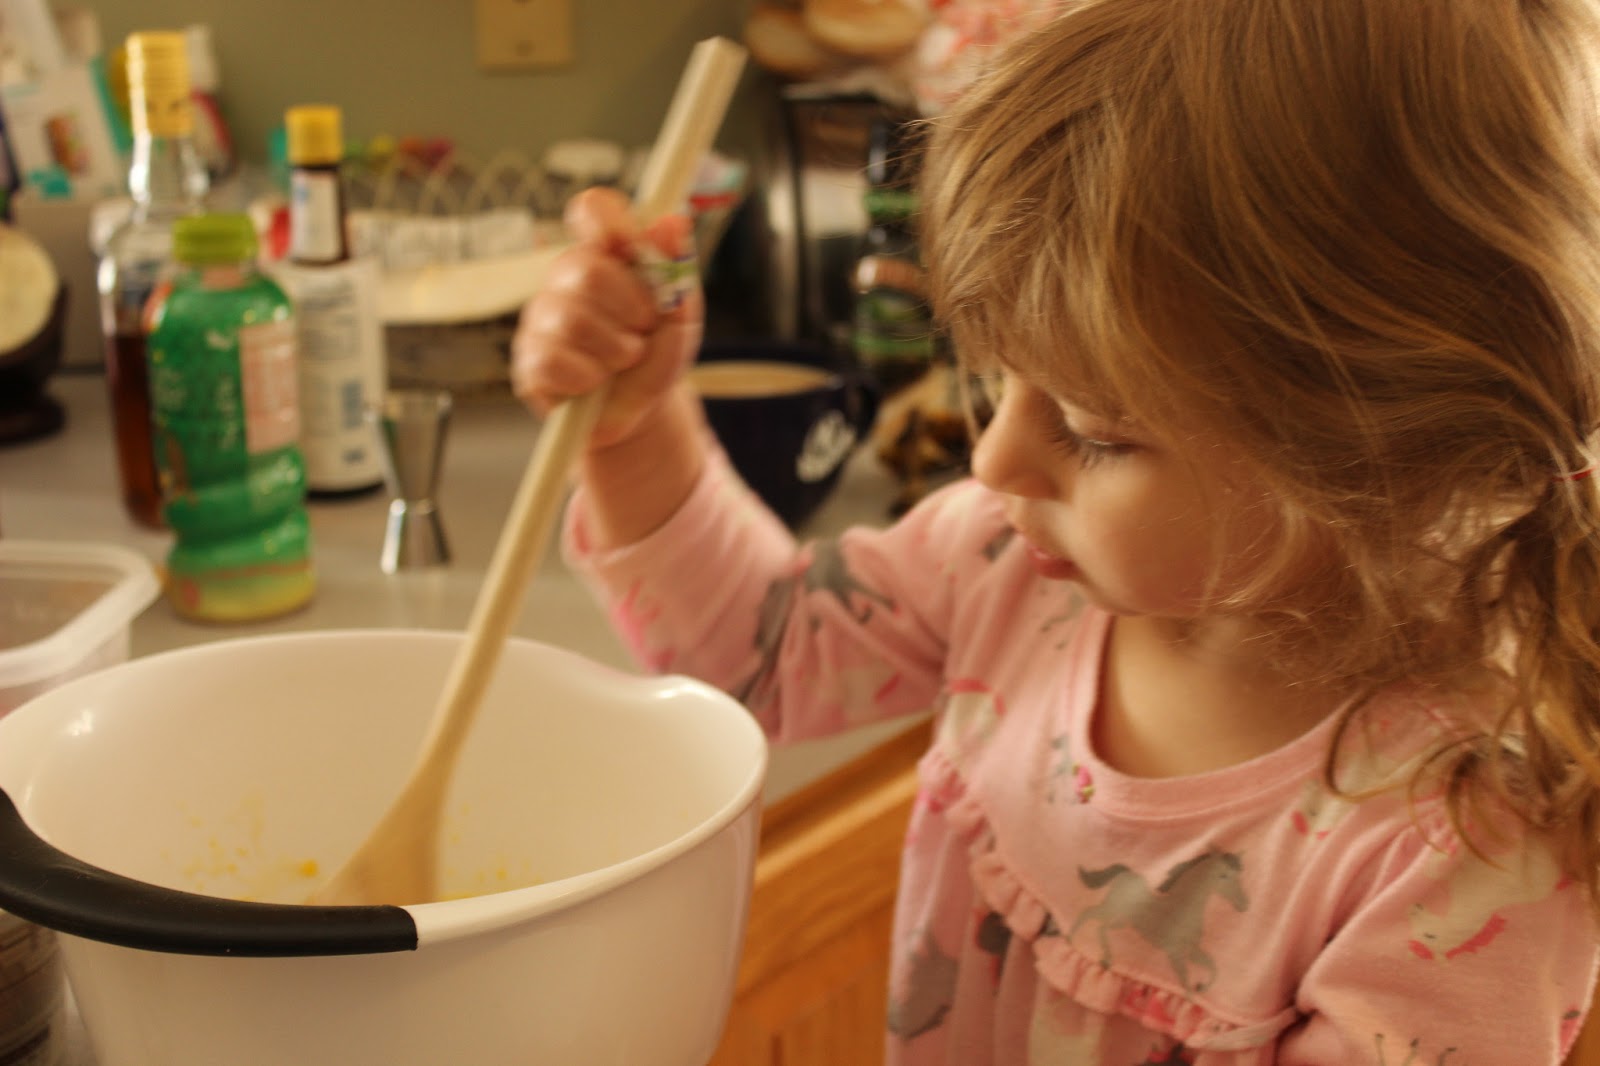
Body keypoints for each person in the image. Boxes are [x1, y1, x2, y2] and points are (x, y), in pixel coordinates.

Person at [511, 0, 1600, 1061]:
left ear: (1377, 450)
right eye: (992, 383)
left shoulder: (1461, 850)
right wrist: (635, 424)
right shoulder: (1008, 560)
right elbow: (762, 648)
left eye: (1093, 430)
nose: (994, 461)